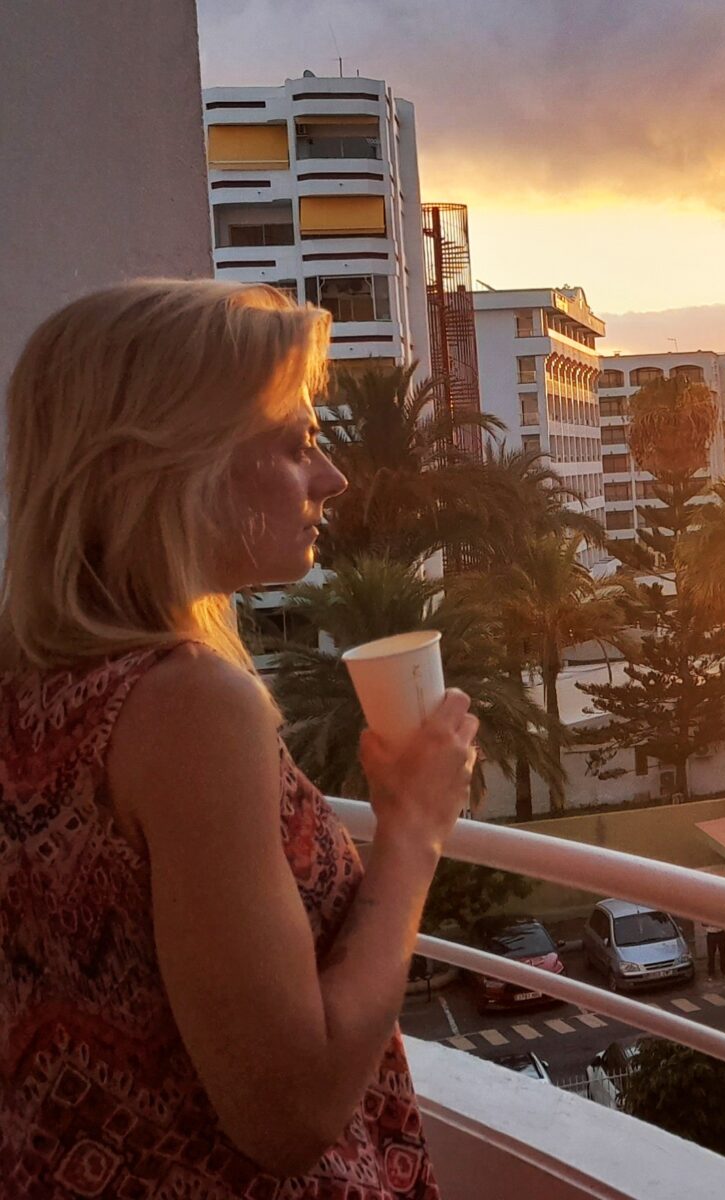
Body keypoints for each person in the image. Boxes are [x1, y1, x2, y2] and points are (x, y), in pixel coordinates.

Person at [0, 281, 476, 1197]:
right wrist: (415, 830)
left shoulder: (28, 684)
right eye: (296, 444)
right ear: (174, 465)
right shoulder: (185, 708)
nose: (331, 478)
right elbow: (287, 1112)